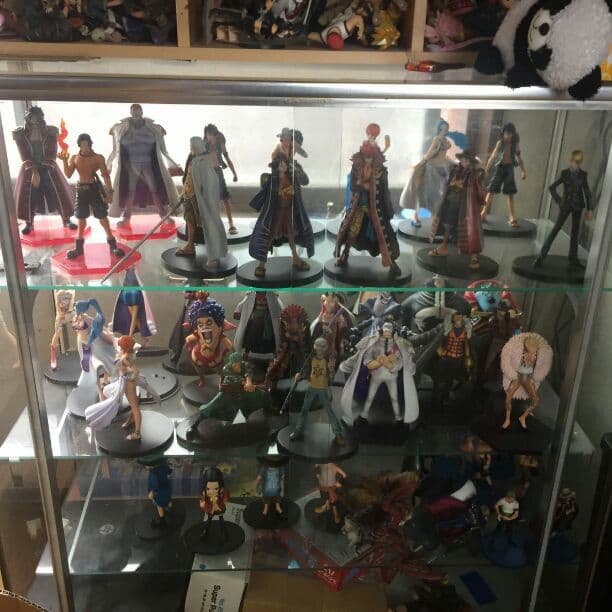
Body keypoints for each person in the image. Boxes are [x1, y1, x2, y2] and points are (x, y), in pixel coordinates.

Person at [334, 123, 401, 275]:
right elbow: (353, 185)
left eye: (371, 157)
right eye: (367, 157)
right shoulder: (357, 166)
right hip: (359, 205)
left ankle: (392, 263)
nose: (368, 160)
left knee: (383, 234)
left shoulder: (381, 170)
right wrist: (363, 185)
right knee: (352, 231)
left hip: (375, 208)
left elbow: (384, 190)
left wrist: (388, 208)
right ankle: (344, 255)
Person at [107, 103, 181, 225]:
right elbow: (115, 150)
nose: (136, 112)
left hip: (147, 164)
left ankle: (163, 215)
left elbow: (163, 150)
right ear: (131, 112)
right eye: (133, 110)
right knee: (130, 191)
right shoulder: (120, 128)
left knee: (154, 189)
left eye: (138, 110)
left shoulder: (154, 128)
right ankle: (126, 217)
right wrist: (107, 165)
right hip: (132, 166)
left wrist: (173, 165)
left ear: (141, 111)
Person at [249, 141, 314, 278]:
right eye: (280, 163)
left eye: (284, 162)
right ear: (276, 165)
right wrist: (257, 205)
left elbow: (302, 184)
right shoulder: (272, 180)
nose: (283, 165)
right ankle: (261, 264)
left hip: (289, 211)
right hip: (277, 212)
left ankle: (295, 258)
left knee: (291, 234)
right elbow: (265, 193)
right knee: (270, 235)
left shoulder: (292, 177)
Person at [59, 133, 125, 260]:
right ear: (79, 145)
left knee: (103, 217)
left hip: (94, 189)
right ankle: (79, 248)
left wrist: (110, 192)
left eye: (86, 144)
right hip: (81, 190)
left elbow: (106, 176)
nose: (84, 147)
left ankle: (112, 245)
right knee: (81, 218)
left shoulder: (98, 158)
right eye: (82, 145)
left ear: (90, 144)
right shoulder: (75, 158)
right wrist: (64, 161)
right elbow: (68, 174)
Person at [340, 320, 418, 425]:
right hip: (376, 376)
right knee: (370, 397)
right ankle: (364, 415)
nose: (387, 333)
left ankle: (398, 417)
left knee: (394, 398)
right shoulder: (373, 343)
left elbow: (401, 361)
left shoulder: (399, 345)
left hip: (391, 377)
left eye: (389, 331)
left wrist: (392, 366)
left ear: (392, 331)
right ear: (382, 331)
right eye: (385, 331)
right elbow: (366, 359)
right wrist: (376, 362)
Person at [12, 106, 76, 235]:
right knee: (29, 196)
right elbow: (24, 154)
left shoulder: (51, 132)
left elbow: (52, 151)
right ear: (28, 118)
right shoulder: (20, 134)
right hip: (30, 168)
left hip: (48, 166)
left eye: (37, 117)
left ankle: (66, 219)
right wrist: (34, 171)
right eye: (32, 117)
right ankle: (29, 223)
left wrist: (47, 166)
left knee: (59, 192)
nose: (35, 120)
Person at [400, 118, 466, 227]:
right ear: (438, 129)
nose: (444, 131)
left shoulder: (445, 140)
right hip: (433, 167)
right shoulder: (437, 139)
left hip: (443, 165)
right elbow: (429, 153)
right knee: (425, 193)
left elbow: (445, 153)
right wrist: (421, 163)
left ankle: (436, 218)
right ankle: (416, 217)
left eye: (446, 129)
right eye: (442, 129)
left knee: (441, 194)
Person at [534, 150, 593, 270]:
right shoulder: (565, 173)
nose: (576, 165)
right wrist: (559, 200)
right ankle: (541, 256)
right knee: (555, 229)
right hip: (565, 205)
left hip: (578, 206)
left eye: (578, 162)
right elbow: (552, 187)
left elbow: (587, 192)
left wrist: (589, 209)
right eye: (574, 162)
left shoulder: (583, 175)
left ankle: (573, 259)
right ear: (570, 161)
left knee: (575, 233)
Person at [428, 150, 484, 270]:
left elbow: (477, 190)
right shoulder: (455, 171)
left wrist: (478, 200)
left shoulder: (474, 174)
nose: (466, 162)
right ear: (461, 160)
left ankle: (474, 256)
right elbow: (448, 184)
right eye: (464, 160)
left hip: (467, 206)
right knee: (448, 225)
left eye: (468, 160)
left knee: (471, 230)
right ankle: (443, 247)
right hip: (452, 202)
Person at [176, 136, 227, 268]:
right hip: (189, 196)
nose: (191, 149)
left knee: (209, 224)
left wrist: (207, 199)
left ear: (197, 147)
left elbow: (211, 182)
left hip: (201, 199)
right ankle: (190, 245)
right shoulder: (194, 160)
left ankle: (214, 255)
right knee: (190, 220)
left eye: (192, 146)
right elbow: (189, 178)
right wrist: (183, 193)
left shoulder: (205, 161)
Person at [289, 337, 345, 445]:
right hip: (312, 387)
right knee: (304, 409)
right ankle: (298, 430)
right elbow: (306, 372)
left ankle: (338, 434)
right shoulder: (311, 359)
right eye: (318, 349)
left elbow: (331, 378)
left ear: (325, 349)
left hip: (323, 389)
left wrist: (331, 370)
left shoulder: (328, 360)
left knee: (329, 411)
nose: (319, 351)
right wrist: (299, 376)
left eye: (321, 349)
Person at [501, 332, 553, 431]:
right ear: (524, 349)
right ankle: (507, 419)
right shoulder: (521, 355)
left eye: (535, 352)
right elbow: (517, 361)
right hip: (518, 378)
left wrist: (534, 359)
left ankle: (523, 416)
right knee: (508, 398)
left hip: (527, 379)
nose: (533, 354)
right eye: (529, 351)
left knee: (536, 401)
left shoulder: (536, 357)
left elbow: (537, 367)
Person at [481, 123, 527, 226]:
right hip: (499, 168)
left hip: (509, 168)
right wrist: (486, 169)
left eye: (510, 133)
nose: (508, 136)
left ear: (513, 134)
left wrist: (523, 171)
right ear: (503, 133)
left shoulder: (515, 144)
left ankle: (512, 216)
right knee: (491, 190)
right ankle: (483, 213)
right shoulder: (500, 143)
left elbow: (520, 158)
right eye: (506, 133)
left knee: (510, 193)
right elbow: (493, 156)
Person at [204, 123, 239, 234]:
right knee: (212, 199)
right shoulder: (203, 145)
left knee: (225, 198)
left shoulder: (220, 142)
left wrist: (234, 173)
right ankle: (215, 223)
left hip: (218, 172)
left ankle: (231, 223)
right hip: (207, 173)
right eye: (208, 134)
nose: (210, 137)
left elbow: (227, 158)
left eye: (212, 134)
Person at [199, 466, 230, 542]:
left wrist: (225, 499)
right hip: (210, 508)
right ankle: (206, 531)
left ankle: (223, 532)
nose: (212, 492)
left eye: (216, 488)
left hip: (220, 507)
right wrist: (203, 503)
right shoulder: (204, 493)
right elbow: (202, 500)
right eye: (208, 489)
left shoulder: (222, 492)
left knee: (221, 521)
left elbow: (226, 495)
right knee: (209, 521)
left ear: (220, 487)